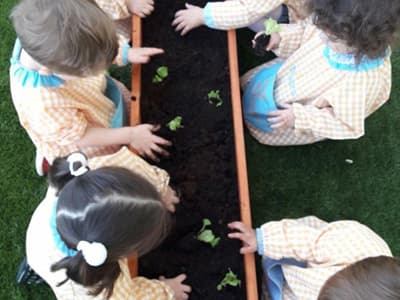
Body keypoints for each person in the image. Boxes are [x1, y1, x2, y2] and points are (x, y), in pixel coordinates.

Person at [9, 0, 168, 168]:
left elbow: (92, 44)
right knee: (98, 152)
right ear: (48, 69)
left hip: (84, 101)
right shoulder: (42, 105)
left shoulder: (50, 44)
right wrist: (130, 135)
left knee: (110, 109)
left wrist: (126, 53)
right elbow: (83, 135)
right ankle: (52, 147)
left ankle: (52, 134)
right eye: (89, 70)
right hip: (85, 140)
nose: (100, 70)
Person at [26, 148, 191, 299]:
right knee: (60, 279)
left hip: (39, 237)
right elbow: (135, 297)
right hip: (62, 272)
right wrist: (168, 290)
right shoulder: (101, 290)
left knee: (45, 262)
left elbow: (127, 161)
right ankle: (50, 273)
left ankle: (37, 269)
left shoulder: (84, 182)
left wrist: (161, 188)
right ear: (121, 252)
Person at [240, 0, 400, 146]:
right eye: (323, 30)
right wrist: (279, 38)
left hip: (304, 102)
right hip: (298, 70)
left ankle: (265, 123)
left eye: (331, 38)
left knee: (272, 118)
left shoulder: (362, 82)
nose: (322, 38)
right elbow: (305, 32)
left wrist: (299, 118)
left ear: (363, 43)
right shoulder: (337, 25)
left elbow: (341, 121)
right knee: (257, 85)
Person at [228, 216, 400, 299]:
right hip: (301, 262)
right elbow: (305, 241)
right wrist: (261, 239)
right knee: (272, 270)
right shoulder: (348, 243)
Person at [172, 0, 310, 36]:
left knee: (251, 18)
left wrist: (203, 16)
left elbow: (248, 10)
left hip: (289, 17)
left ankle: (273, 33)